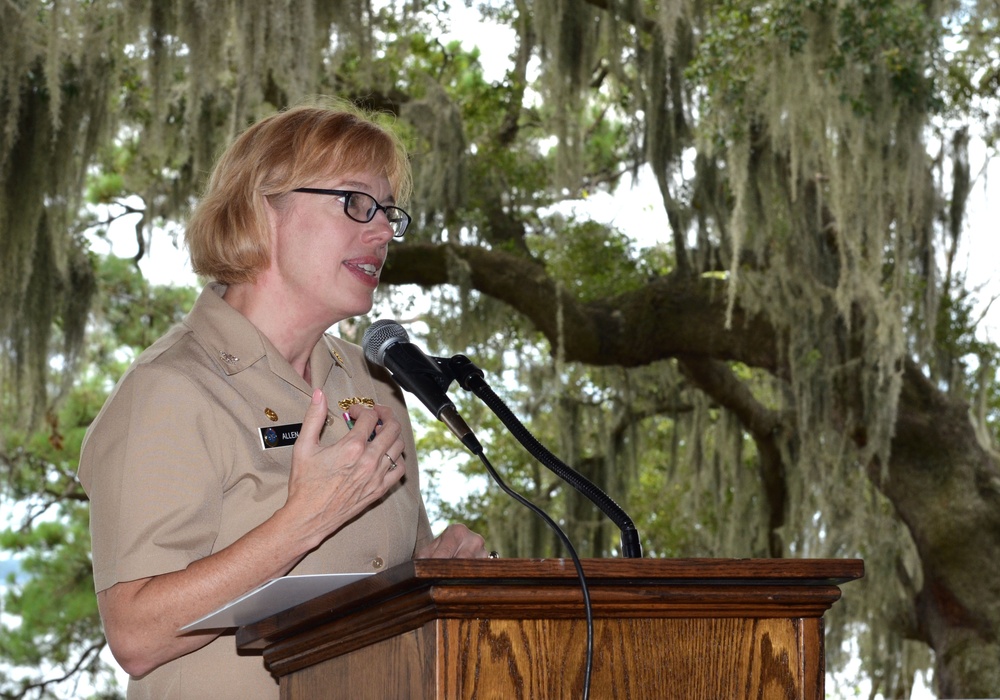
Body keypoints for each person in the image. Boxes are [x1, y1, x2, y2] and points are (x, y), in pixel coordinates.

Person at [78, 101, 487, 699]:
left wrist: (432, 571)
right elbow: (137, 634)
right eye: (355, 203)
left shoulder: (375, 385)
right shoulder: (170, 390)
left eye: (388, 213)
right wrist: (302, 523)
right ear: (261, 207)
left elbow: (376, 575)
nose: (381, 232)